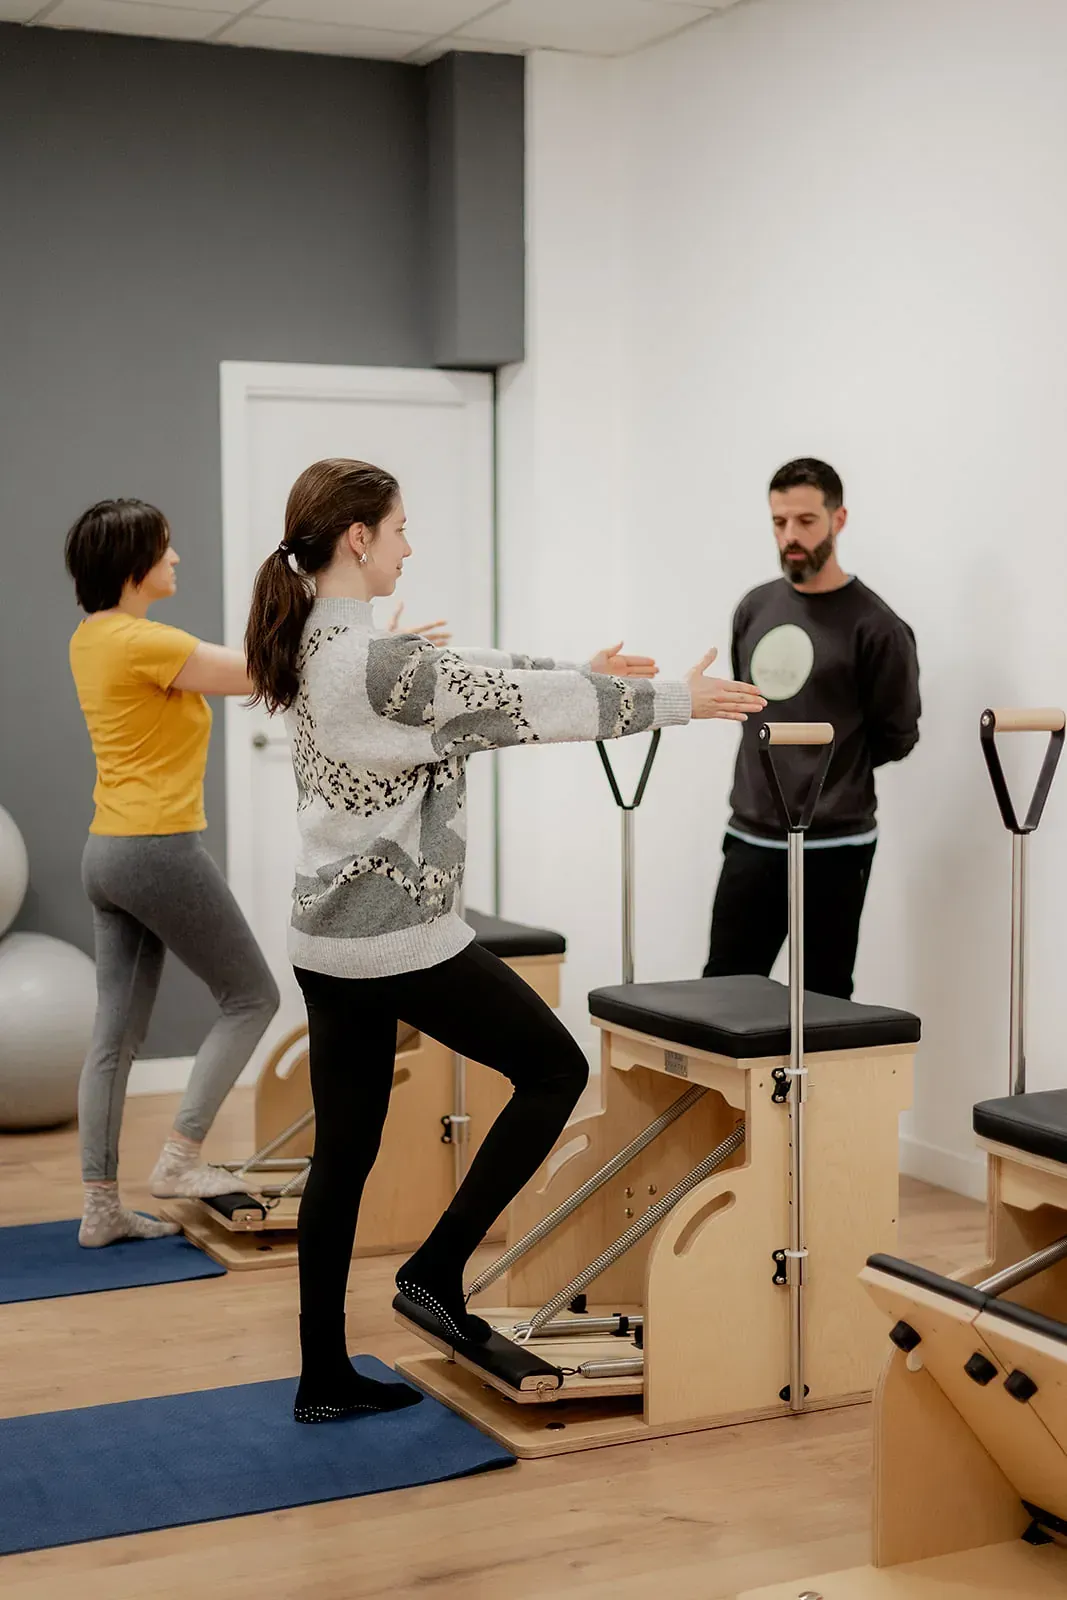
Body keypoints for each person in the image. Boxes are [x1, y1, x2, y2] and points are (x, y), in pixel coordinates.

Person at [243, 456, 767, 1423]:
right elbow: (513, 709)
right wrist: (673, 704)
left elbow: (474, 676)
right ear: (357, 538)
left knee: (344, 1157)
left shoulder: (314, 641)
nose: (409, 543)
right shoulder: (373, 661)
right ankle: (437, 1270)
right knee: (554, 1071)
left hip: (325, 938)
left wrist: (586, 670)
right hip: (397, 935)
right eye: (399, 528)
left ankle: (322, 1377)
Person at [65, 499, 281, 1248]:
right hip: (158, 848)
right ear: (134, 564)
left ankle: (101, 1209)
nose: (177, 558)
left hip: (108, 853)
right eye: (166, 548)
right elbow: (261, 674)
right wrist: (366, 645)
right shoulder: (141, 642)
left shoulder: (91, 638)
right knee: (252, 995)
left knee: (113, 1037)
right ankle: (181, 1159)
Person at [703, 457, 921, 999]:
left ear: (838, 519)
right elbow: (749, 702)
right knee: (723, 992)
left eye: (805, 521)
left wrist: (831, 778)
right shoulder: (754, 607)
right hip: (751, 834)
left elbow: (897, 735)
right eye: (779, 523)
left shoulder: (879, 627)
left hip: (837, 843)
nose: (790, 537)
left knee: (825, 1001)